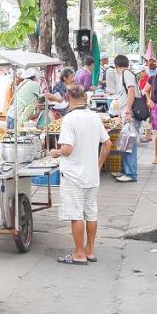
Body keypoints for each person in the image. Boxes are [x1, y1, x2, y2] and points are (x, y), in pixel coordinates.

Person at [48, 83, 112, 263]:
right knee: (91, 213)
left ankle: (78, 254)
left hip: (73, 175)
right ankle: (89, 250)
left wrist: (56, 152)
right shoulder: (94, 117)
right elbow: (107, 144)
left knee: (76, 215)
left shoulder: (69, 119)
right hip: (92, 175)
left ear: (67, 99)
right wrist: (98, 166)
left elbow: (67, 149)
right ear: (85, 98)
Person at [107, 54, 140, 183]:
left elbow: (131, 91)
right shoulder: (124, 75)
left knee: (129, 144)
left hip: (129, 115)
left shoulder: (126, 73)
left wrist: (127, 110)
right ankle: (125, 170)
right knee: (124, 144)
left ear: (116, 66)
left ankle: (131, 174)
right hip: (126, 114)